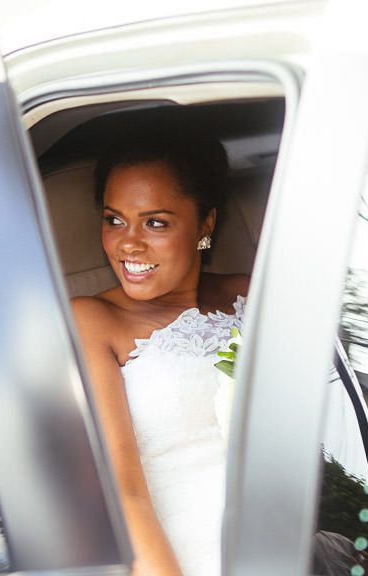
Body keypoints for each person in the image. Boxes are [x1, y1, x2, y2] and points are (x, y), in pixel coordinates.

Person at [71, 120, 249, 576]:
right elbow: (120, 491)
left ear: (204, 223)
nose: (128, 242)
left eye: (155, 222)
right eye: (114, 220)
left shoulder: (254, 294)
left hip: (287, 540)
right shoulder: (92, 322)